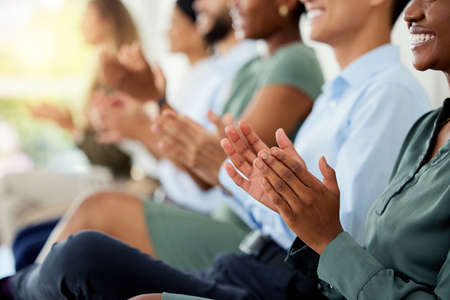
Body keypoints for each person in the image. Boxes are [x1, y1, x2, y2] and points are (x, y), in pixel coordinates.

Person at [0, 0, 431, 299]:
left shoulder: (383, 93)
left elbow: (337, 240)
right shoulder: (335, 93)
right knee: (65, 253)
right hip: (254, 255)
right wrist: (227, 168)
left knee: (81, 250)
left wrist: (223, 170)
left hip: (277, 269)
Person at [36, 0, 323, 273]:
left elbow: (229, 167)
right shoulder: (254, 68)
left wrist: (152, 110)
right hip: (222, 220)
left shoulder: (294, 60)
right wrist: (155, 101)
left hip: (256, 239)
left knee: (97, 210)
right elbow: (206, 169)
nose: (234, 3)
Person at [216, 0, 450, 298]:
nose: (411, 13)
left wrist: (321, 233)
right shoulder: (427, 128)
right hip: (284, 268)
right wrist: (288, 203)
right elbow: (354, 247)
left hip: (293, 279)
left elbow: (343, 237)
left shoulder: (391, 94)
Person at [28, 0, 138, 178]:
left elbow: (115, 157)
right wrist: (68, 124)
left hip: (114, 179)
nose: (80, 24)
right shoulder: (101, 73)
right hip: (102, 174)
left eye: (87, 16)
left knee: (10, 185)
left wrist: (72, 128)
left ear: (107, 21)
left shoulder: (120, 75)